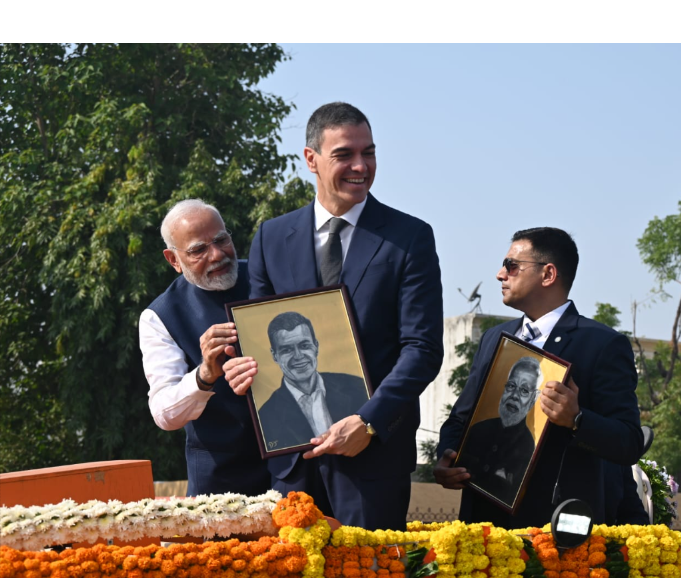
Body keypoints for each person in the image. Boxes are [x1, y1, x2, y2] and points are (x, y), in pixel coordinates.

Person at [223, 102, 444, 530]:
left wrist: (369, 422)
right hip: (291, 461)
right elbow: (256, 338)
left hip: (373, 460)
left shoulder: (409, 237)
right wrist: (240, 367)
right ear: (311, 159)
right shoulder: (272, 236)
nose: (361, 166)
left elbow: (422, 349)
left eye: (370, 153)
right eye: (345, 154)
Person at [434, 227, 643, 528]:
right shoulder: (494, 338)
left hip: (555, 528)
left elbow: (630, 442)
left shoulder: (602, 344)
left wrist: (577, 419)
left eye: (511, 266)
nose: (499, 274)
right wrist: (447, 456)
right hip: (482, 522)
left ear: (548, 274)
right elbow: (461, 417)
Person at [140, 199, 270, 496]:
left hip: (297, 469)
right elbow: (164, 414)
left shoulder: (270, 278)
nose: (217, 255)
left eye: (222, 240)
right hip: (223, 484)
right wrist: (205, 374)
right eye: (198, 250)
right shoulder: (160, 316)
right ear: (173, 260)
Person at [259, 311, 369, 449]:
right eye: (287, 350)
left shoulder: (357, 386)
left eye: (304, 346)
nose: (298, 356)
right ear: (275, 356)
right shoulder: (266, 415)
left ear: (316, 346)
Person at [458, 357, 543, 506]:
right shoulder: (477, 430)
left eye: (524, 391)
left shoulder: (529, 447)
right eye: (511, 386)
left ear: (533, 398)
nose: (514, 395)